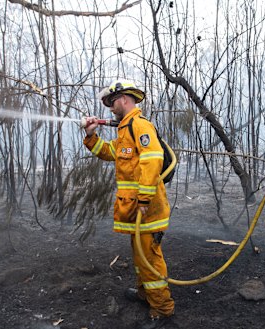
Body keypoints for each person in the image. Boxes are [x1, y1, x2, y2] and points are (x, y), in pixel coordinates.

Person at [83, 79, 174, 329]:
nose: (110, 109)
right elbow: (109, 153)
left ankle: (162, 308)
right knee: (140, 257)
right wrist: (91, 137)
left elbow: (153, 160)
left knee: (150, 259)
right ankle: (146, 294)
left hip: (148, 210)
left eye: (112, 103)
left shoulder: (140, 126)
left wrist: (144, 198)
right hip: (136, 211)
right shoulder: (125, 131)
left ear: (123, 99)